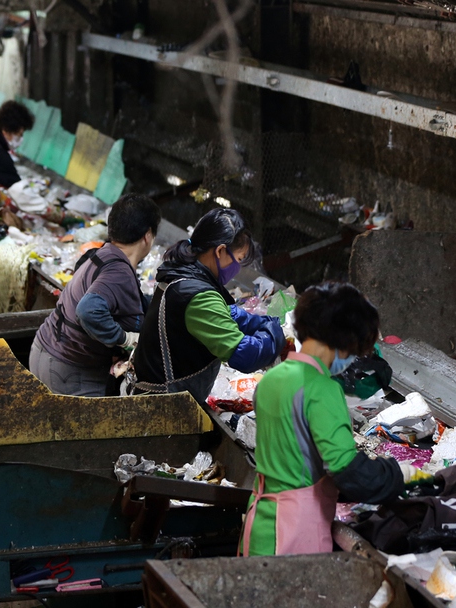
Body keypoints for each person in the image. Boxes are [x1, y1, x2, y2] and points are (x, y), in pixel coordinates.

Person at [240, 282, 425, 556]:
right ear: (346, 340)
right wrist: (399, 475)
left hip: (260, 525)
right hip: (294, 536)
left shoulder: (272, 379)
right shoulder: (322, 389)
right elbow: (346, 470)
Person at [131, 208, 284, 404]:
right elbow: (247, 355)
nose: (237, 269)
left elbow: (229, 313)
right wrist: (274, 335)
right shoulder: (197, 295)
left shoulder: (183, 273)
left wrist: (263, 322)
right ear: (220, 251)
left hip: (159, 397)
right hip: (166, 407)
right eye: (237, 259)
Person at [29, 194, 162, 397]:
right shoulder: (118, 272)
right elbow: (88, 310)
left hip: (45, 352)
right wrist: (124, 338)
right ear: (147, 235)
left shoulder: (102, 254)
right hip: (68, 369)